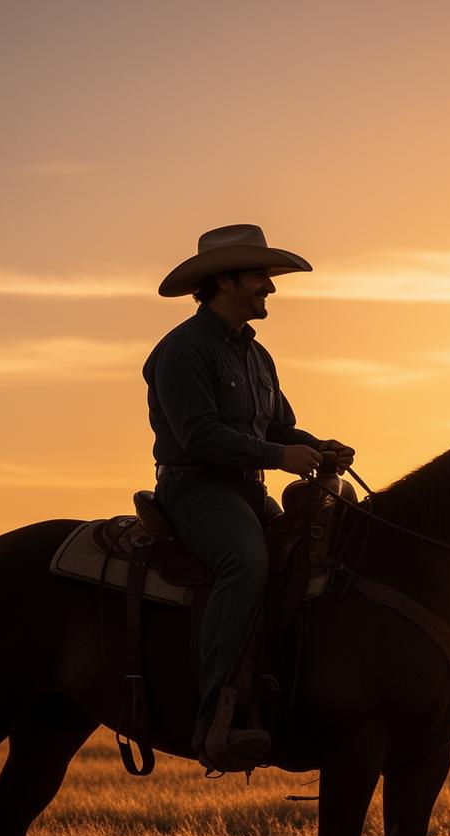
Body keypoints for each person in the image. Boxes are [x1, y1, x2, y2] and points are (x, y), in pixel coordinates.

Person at [146, 224, 356, 768]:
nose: (270, 287)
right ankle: (219, 708)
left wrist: (317, 446)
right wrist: (279, 458)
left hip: (245, 490)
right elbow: (200, 437)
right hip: (194, 488)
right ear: (226, 279)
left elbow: (280, 427)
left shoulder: (256, 357)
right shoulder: (182, 351)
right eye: (260, 275)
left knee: (318, 555)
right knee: (246, 561)